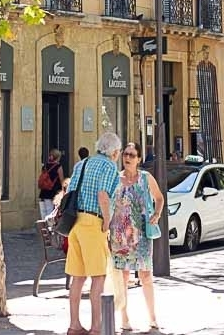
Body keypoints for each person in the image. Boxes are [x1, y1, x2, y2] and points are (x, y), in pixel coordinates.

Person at [65, 133, 122, 335]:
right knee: (98, 277)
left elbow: (69, 192)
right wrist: (107, 221)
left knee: (78, 278)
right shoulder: (109, 166)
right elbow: (103, 195)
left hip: (75, 223)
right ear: (115, 152)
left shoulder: (82, 164)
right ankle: (96, 327)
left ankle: (74, 325)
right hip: (92, 222)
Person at [108, 142, 164, 332]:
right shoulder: (115, 178)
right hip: (119, 235)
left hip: (141, 235)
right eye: (126, 154)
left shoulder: (146, 178)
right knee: (122, 277)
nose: (128, 158)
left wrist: (156, 214)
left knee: (146, 275)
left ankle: (153, 317)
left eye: (132, 155)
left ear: (139, 159)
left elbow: (159, 197)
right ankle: (124, 319)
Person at [38, 149, 64, 218]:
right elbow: (61, 179)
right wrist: (63, 190)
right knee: (51, 212)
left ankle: (44, 226)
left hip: (44, 190)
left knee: (44, 211)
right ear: (58, 157)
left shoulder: (45, 166)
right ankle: (49, 227)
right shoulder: (58, 166)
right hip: (54, 190)